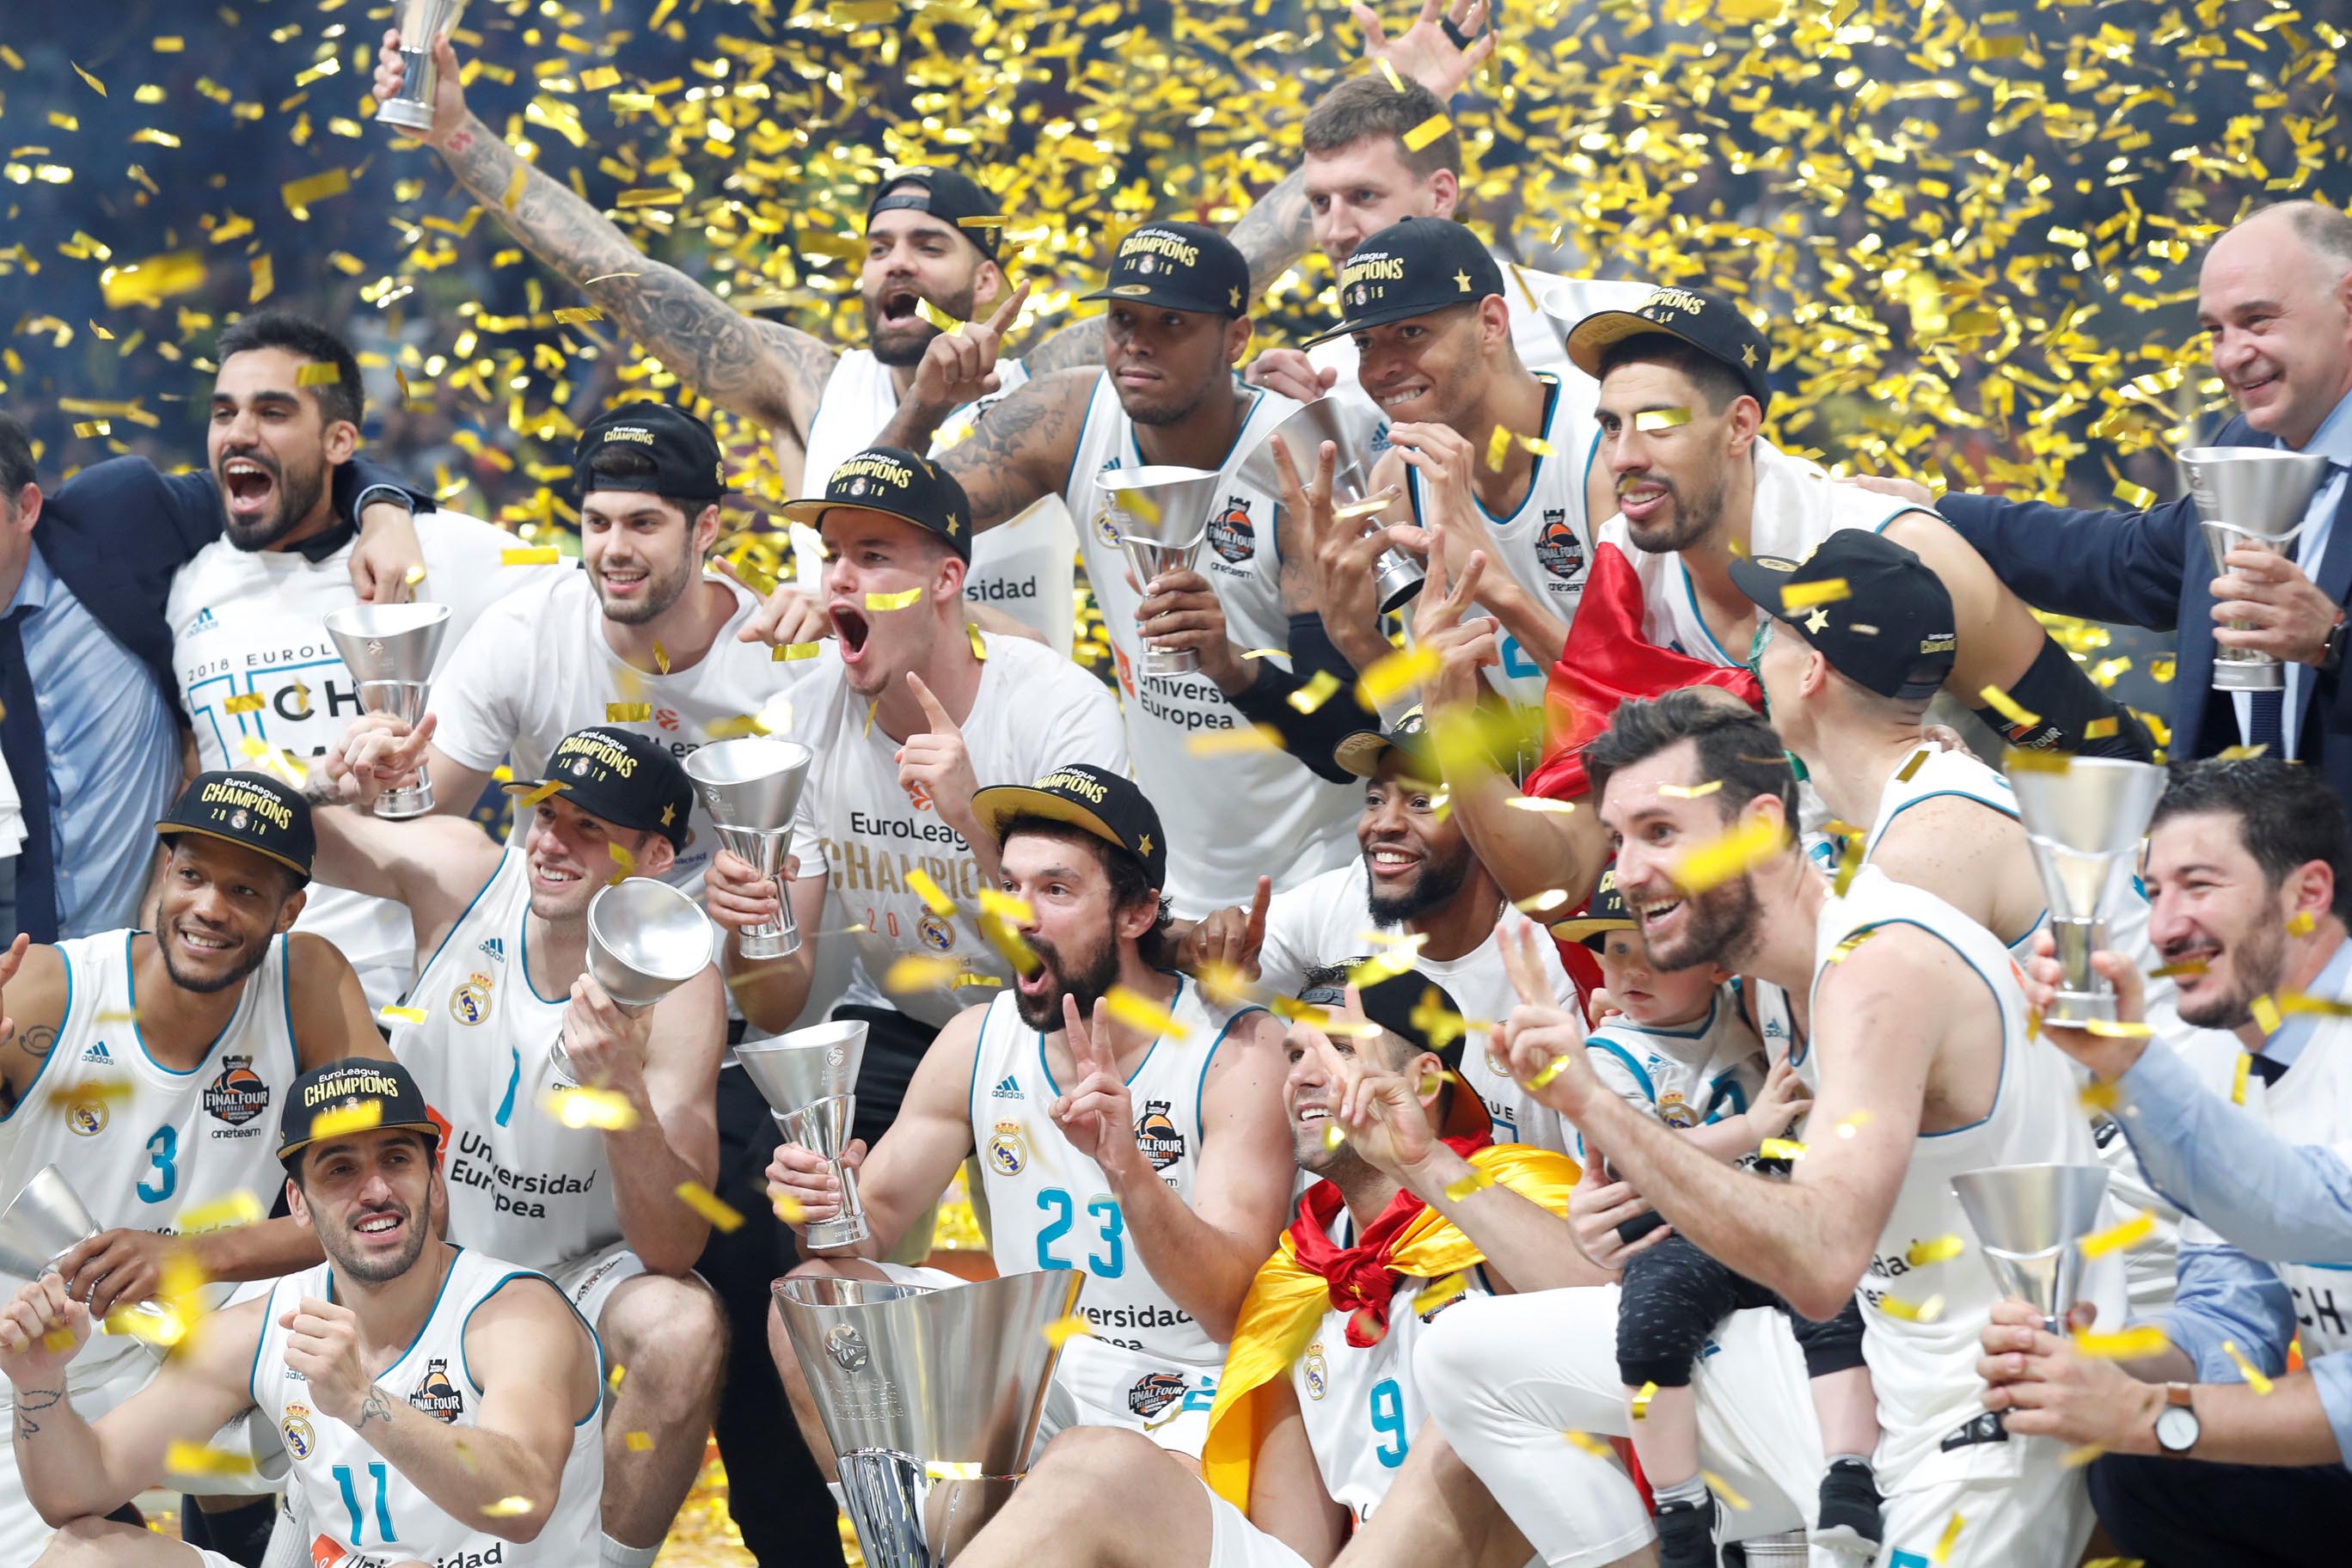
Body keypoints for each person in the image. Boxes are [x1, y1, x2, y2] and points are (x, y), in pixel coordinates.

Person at [1419, 690, 2119, 1567]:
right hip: (1880, 1368)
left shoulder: (1880, 962)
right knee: (1465, 1357)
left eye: (1660, 833)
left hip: (1986, 1415)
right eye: (1620, 837)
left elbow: (1819, 1260)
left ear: (1758, 825)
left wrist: (1593, 1103)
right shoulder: (1789, 977)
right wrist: (1638, 1198)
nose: (1628, 871)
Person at [1413, 284, 2155, 923]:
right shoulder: (1627, 566)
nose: (1624, 456)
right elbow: (1561, 878)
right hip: (1782, 949)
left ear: (1741, 426)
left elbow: (2098, 756)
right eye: (1611, 425)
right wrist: (1449, 724)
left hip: (1966, 925)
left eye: (1659, 422)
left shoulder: (1898, 554)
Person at [941, 967, 1598, 1568]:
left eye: (1339, 1049)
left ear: (1424, 1081)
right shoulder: (1298, 1274)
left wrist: (1426, 1166)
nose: (1301, 1076)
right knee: (1091, 1465)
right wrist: (1125, 1167)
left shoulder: (1514, 1200)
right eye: (1292, 1055)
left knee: (1467, 1420)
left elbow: (1610, 1320)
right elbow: (1293, 1544)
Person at [764, 766, 1294, 1471]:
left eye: (1056, 890)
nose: (1018, 915)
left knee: (1093, 1487)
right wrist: (826, 1207)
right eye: (1010, 886)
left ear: (1137, 914)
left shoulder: (1239, 1053)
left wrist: (1128, 1168)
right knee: (813, 1302)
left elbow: (1231, 1309)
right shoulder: (974, 1039)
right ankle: (899, 1540)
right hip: (1035, 1363)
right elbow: (872, 1226)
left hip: (1188, 1383)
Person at [305, 721, 727, 1568]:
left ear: (652, 859)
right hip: (425, 1245)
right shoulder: (466, 872)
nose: (552, 845)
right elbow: (265, 837)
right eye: (548, 815)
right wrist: (331, 785)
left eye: (590, 830)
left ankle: (609, 1563)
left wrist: (622, 1098)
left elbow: (675, 1245)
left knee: (684, 1328)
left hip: (580, 1269)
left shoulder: (681, 989)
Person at [877, 224, 1362, 916]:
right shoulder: (1071, 417)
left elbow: (1346, 738)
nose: (1138, 341)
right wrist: (924, 409)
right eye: (1123, 320)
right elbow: (874, 528)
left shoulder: (1297, 459)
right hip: (1169, 880)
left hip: (1319, 880)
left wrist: (1230, 668)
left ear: (1236, 338)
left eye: (1171, 322)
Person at [0, 770, 389, 1565]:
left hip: (196, 1339)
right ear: (161, 876)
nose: (210, 907)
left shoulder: (309, 982)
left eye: (245, 890)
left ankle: (257, 1534)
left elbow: (396, 1206)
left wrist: (193, 1256)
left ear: (289, 912)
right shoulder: (45, 991)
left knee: (343, 1320)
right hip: (27, 1352)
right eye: (192, 876)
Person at [0, 1057, 604, 1567]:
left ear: (434, 1180)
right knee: (84, 1552)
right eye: (340, 1169)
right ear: (298, 1202)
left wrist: (363, 1404)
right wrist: (39, 1387)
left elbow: (521, 1504)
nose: (375, 1191)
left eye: (396, 1159)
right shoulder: (264, 1325)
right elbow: (81, 1487)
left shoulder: (516, 1314)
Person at [1975, 757, 2352, 1564]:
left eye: (2201, 885)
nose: (2163, 927)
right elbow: (2231, 1317)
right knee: (2140, 1475)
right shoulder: (2235, 1062)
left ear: (2307, 895)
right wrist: (2096, 1365)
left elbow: (2312, 1212)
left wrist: (2148, 1414)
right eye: (2153, 892)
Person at [715, 448, 1127, 1160]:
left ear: (946, 580)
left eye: (873, 556)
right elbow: (772, 1004)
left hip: (1059, 1024)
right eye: (832, 553)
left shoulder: (1060, 710)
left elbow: (1084, 951)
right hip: (901, 1023)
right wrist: (752, 925)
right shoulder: (798, 725)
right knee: (764, 1192)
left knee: (1059, 1254)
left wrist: (972, 816)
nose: (839, 576)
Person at [165, 311, 536, 1011]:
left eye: (273, 411)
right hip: (230, 991)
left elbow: (612, 593)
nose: (240, 432)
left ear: (340, 440)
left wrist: (778, 601)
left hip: (408, 993)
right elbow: (195, 763)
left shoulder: (440, 551)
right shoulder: (186, 585)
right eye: (224, 413)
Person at [1919, 202, 2352, 799]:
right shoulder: (2243, 443)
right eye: (2214, 331)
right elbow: (2127, 558)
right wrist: (1934, 511)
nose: (2230, 356)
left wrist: (2333, 642)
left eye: (2257, 320)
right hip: (2241, 863)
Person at [0, 401, 420, 946]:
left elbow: (293, 480)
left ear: (27, 506)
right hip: (25, 974)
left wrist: (383, 510)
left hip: (154, 959)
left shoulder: (112, 518)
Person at [1566, 875, 1882, 1565]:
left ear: (1716, 965)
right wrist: (1749, 1127)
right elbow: (1637, 1159)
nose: (1628, 970)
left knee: (1832, 1304)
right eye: (1613, 952)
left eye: (1653, 951)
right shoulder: (1607, 1053)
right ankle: (1682, 1506)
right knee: (1647, 1332)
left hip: (1772, 1215)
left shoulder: (1745, 1007)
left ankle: (1851, 1473)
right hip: (1684, 1231)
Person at [1179, 710, 1578, 1150]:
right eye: (1374, 799)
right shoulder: (1342, 898)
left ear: (1496, 823)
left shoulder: (1558, 961)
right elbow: (1171, 947)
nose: (1382, 824)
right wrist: (1207, 943)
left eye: (1421, 802)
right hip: (1358, 1213)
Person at [1295, 217, 1618, 709]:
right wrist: (1354, 634)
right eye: (1365, 344)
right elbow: (1478, 726)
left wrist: (1500, 591)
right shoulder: (1398, 483)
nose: (1380, 369)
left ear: (1491, 323)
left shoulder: (1609, 449)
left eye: (1410, 332)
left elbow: (1655, 717)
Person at [1244, 62, 1632, 421]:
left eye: (1364, 196)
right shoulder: (1320, 381)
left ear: (1441, 196)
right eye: (1320, 202)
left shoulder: (1600, 324)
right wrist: (1260, 420)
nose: (1335, 231)